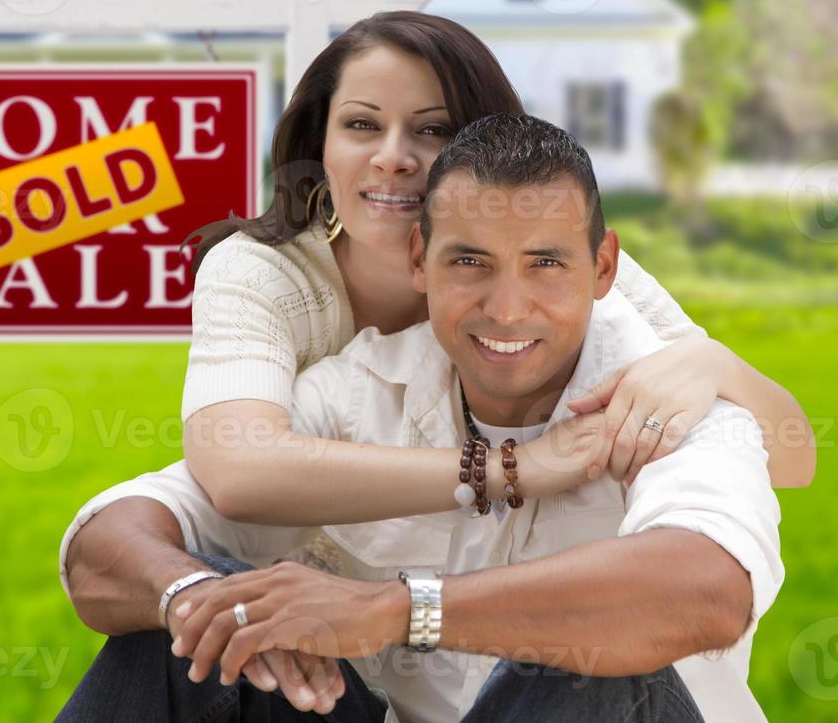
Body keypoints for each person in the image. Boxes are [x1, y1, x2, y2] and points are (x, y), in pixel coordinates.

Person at [59, 116, 785, 722]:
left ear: (602, 267)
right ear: (420, 258)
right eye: (469, 261)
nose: (506, 308)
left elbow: (706, 589)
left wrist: (398, 610)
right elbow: (110, 541)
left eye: (546, 265)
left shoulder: (671, 396)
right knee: (191, 632)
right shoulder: (359, 391)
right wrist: (195, 600)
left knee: (595, 664)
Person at [177, 11, 812, 542]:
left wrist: (712, 365)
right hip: (318, 611)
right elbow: (237, 468)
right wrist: (516, 468)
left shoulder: (561, 264)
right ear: (322, 143)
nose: (392, 157)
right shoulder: (264, 274)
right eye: (362, 124)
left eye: (432, 130)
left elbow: (790, 458)